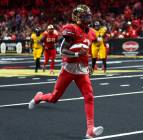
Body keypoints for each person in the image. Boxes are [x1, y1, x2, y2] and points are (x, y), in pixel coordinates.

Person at [28, 5, 104, 139]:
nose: (89, 18)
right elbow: (62, 50)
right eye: (85, 16)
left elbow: (89, 50)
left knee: (89, 96)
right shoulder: (71, 29)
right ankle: (39, 97)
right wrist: (76, 55)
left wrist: (91, 64)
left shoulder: (92, 32)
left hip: (81, 70)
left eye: (89, 15)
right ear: (78, 18)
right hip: (68, 68)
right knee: (54, 98)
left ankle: (90, 129)